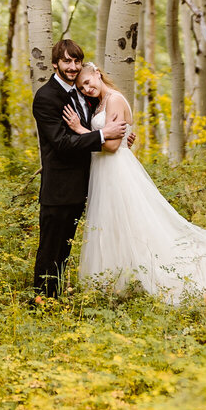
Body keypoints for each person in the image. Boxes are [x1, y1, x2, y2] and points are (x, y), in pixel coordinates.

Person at [63, 62, 206, 300]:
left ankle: (142, 275)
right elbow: (116, 138)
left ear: (97, 74)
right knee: (114, 224)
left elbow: (111, 146)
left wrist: (79, 129)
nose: (86, 89)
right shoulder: (102, 102)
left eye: (88, 83)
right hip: (106, 169)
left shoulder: (114, 99)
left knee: (134, 223)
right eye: (81, 88)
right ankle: (118, 279)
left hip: (115, 168)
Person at [31, 39, 128, 297]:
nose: (73, 67)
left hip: (82, 185)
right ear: (55, 64)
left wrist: (117, 138)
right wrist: (103, 135)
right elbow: (62, 143)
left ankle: (55, 296)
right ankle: (41, 300)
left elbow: (92, 133)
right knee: (50, 248)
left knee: (64, 249)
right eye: (66, 61)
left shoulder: (82, 95)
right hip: (59, 188)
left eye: (76, 61)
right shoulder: (46, 97)